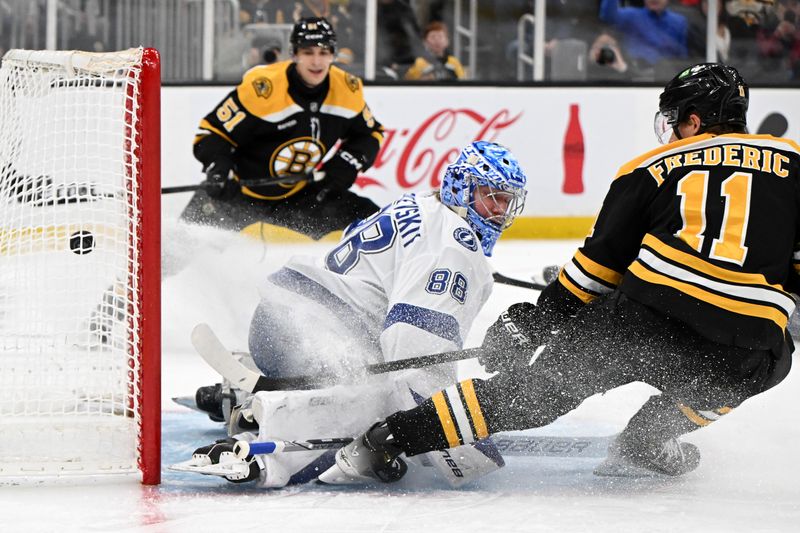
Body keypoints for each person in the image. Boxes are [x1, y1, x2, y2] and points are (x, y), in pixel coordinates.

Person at [318, 63, 799, 485]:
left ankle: (387, 437)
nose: (671, 132)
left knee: (535, 395)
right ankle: (646, 442)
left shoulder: (651, 167)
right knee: (757, 369)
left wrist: (534, 322)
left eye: (675, 122)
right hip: (747, 346)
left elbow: (595, 272)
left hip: (646, 323)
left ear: (693, 120)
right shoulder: (795, 166)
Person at [185, 141, 528, 488]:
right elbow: (415, 353)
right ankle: (264, 454)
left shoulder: (424, 202)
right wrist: (448, 426)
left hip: (279, 317)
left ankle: (247, 392)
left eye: (506, 201)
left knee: (380, 374)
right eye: (490, 197)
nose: (498, 212)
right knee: (381, 404)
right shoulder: (454, 249)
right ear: (460, 188)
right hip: (308, 340)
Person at [180, 17, 384, 240]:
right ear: (294, 54)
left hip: (300, 196)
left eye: (324, 52)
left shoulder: (346, 90)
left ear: (333, 55)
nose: (316, 61)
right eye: (308, 52)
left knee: (374, 223)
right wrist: (219, 167)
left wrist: (346, 163)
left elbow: (370, 134)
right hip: (240, 193)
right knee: (179, 247)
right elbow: (212, 133)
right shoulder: (263, 89)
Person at [599, 0, 689, 76]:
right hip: (634, 75)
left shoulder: (679, 21)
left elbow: (682, 56)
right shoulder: (631, 16)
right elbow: (608, 16)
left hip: (667, 77)